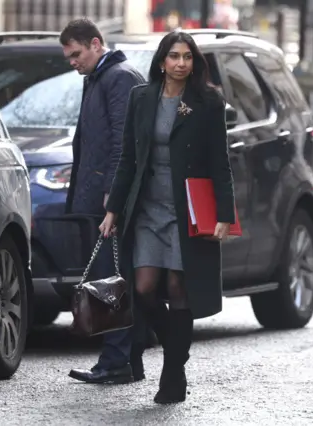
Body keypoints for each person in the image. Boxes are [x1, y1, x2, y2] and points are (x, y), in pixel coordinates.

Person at [100, 31, 236, 404]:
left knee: (178, 289)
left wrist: (225, 214)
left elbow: (219, 162)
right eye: (174, 56)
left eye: (187, 57)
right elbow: (128, 156)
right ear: (162, 61)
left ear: (194, 63)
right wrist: (114, 209)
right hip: (146, 208)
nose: (180, 63)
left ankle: (173, 372)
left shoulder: (207, 102)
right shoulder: (141, 97)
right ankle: (176, 351)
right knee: (142, 289)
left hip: (184, 211)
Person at [60, 18, 146, 384]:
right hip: (96, 195)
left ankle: (116, 362)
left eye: (76, 54)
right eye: (68, 56)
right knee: (111, 278)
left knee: (111, 281)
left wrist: (113, 199)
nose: (72, 62)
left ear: (96, 44)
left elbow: (122, 143)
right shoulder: (97, 77)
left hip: (109, 200)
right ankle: (125, 360)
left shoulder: (119, 76)